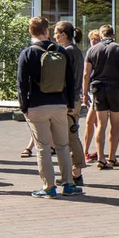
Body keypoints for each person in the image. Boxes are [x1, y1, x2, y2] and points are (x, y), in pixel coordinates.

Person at [16, 16, 80, 198]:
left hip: (37, 106)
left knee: (43, 147)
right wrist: (69, 103)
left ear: (31, 32)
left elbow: (21, 83)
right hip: (59, 104)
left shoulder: (27, 53)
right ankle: (68, 184)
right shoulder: (61, 51)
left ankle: (49, 187)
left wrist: (24, 107)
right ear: (46, 31)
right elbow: (70, 79)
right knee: (63, 145)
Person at [84, 23, 119, 168]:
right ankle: (111, 158)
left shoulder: (92, 50)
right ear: (113, 35)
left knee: (101, 124)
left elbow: (86, 74)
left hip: (98, 88)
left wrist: (85, 93)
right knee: (115, 123)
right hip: (115, 87)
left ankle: (100, 157)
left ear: (101, 35)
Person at [53, 20, 86, 187]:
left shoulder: (67, 52)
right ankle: (75, 172)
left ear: (64, 35)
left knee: (70, 136)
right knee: (70, 134)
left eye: (56, 33)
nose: (54, 36)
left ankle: (76, 174)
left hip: (69, 99)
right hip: (74, 97)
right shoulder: (75, 51)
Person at [81, 28, 102, 163]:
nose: (93, 42)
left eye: (95, 39)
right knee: (96, 123)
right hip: (92, 90)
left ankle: (86, 152)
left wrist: (84, 94)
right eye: (91, 39)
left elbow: (86, 74)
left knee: (91, 122)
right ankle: (98, 152)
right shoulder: (92, 53)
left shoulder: (95, 54)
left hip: (96, 90)